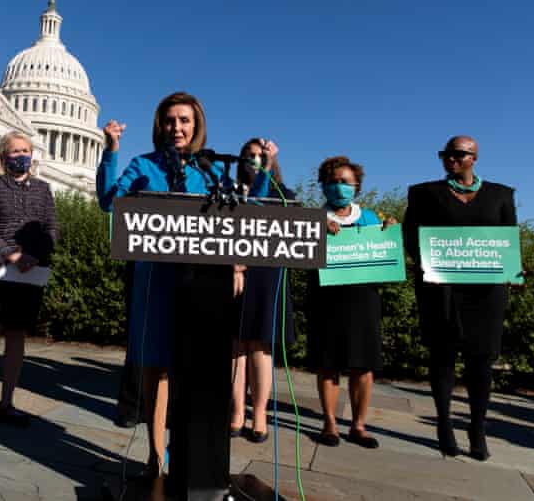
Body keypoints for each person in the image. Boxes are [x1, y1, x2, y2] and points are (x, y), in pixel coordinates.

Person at [97, 92, 235, 483]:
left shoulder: (209, 171)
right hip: (155, 280)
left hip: (202, 284)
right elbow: (109, 203)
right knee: (158, 369)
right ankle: (157, 457)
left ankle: (187, 455)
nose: (177, 127)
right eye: (170, 120)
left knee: (192, 370)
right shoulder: (144, 166)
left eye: (185, 120)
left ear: (196, 125)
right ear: (161, 125)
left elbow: (231, 222)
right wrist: (112, 151)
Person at [403, 136, 517, 461]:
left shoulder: (501, 195)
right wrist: (429, 262)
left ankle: (477, 429)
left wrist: (512, 270)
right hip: (442, 291)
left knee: (481, 362)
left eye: (458, 155)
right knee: (442, 358)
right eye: (445, 155)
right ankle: (444, 424)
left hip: (487, 294)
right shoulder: (425, 193)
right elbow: (411, 236)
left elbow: (507, 240)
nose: (450, 160)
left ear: (474, 158)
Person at [0, 131, 58, 431]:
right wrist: (8, 254)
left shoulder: (44, 189)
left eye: (25, 150)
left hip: (29, 271)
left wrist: (35, 254)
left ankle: (7, 402)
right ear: (3, 156)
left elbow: (51, 228)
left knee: (17, 337)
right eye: (15, 151)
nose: (21, 155)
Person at [307, 156, 396, 449]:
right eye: (332, 182)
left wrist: (390, 230)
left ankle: (358, 425)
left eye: (345, 182)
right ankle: (330, 423)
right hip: (327, 299)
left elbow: (386, 253)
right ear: (323, 186)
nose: (338, 187)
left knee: (363, 366)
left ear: (356, 185)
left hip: (363, 299)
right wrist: (319, 226)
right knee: (328, 364)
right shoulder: (314, 217)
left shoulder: (370, 218)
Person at [230, 137, 295, 444]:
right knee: (236, 346)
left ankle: (259, 413)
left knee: (260, 346)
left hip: (267, 277)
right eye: (249, 156)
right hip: (233, 275)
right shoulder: (228, 193)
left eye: (260, 156)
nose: (254, 160)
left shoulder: (284, 195)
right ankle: (236, 411)